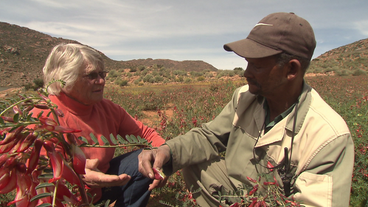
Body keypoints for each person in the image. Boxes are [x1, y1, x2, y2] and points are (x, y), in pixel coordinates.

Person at [138, 12, 354, 207]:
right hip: (238, 191)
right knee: (192, 160)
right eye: (247, 63)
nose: (246, 73)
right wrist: (167, 151)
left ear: (291, 69)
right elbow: (208, 136)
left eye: (257, 65)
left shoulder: (328, 136)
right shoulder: (244, 97)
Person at [32, 43, 165, 206]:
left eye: (103, 74)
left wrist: (162, 161)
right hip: (62, 196)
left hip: (101, 187)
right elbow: (44, 173)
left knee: (149, 158)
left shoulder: (108, 109)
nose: (101, 81)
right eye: (91, 75)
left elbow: (148, 136)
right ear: (66, 79)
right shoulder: (45, 115)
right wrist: (75, 173)